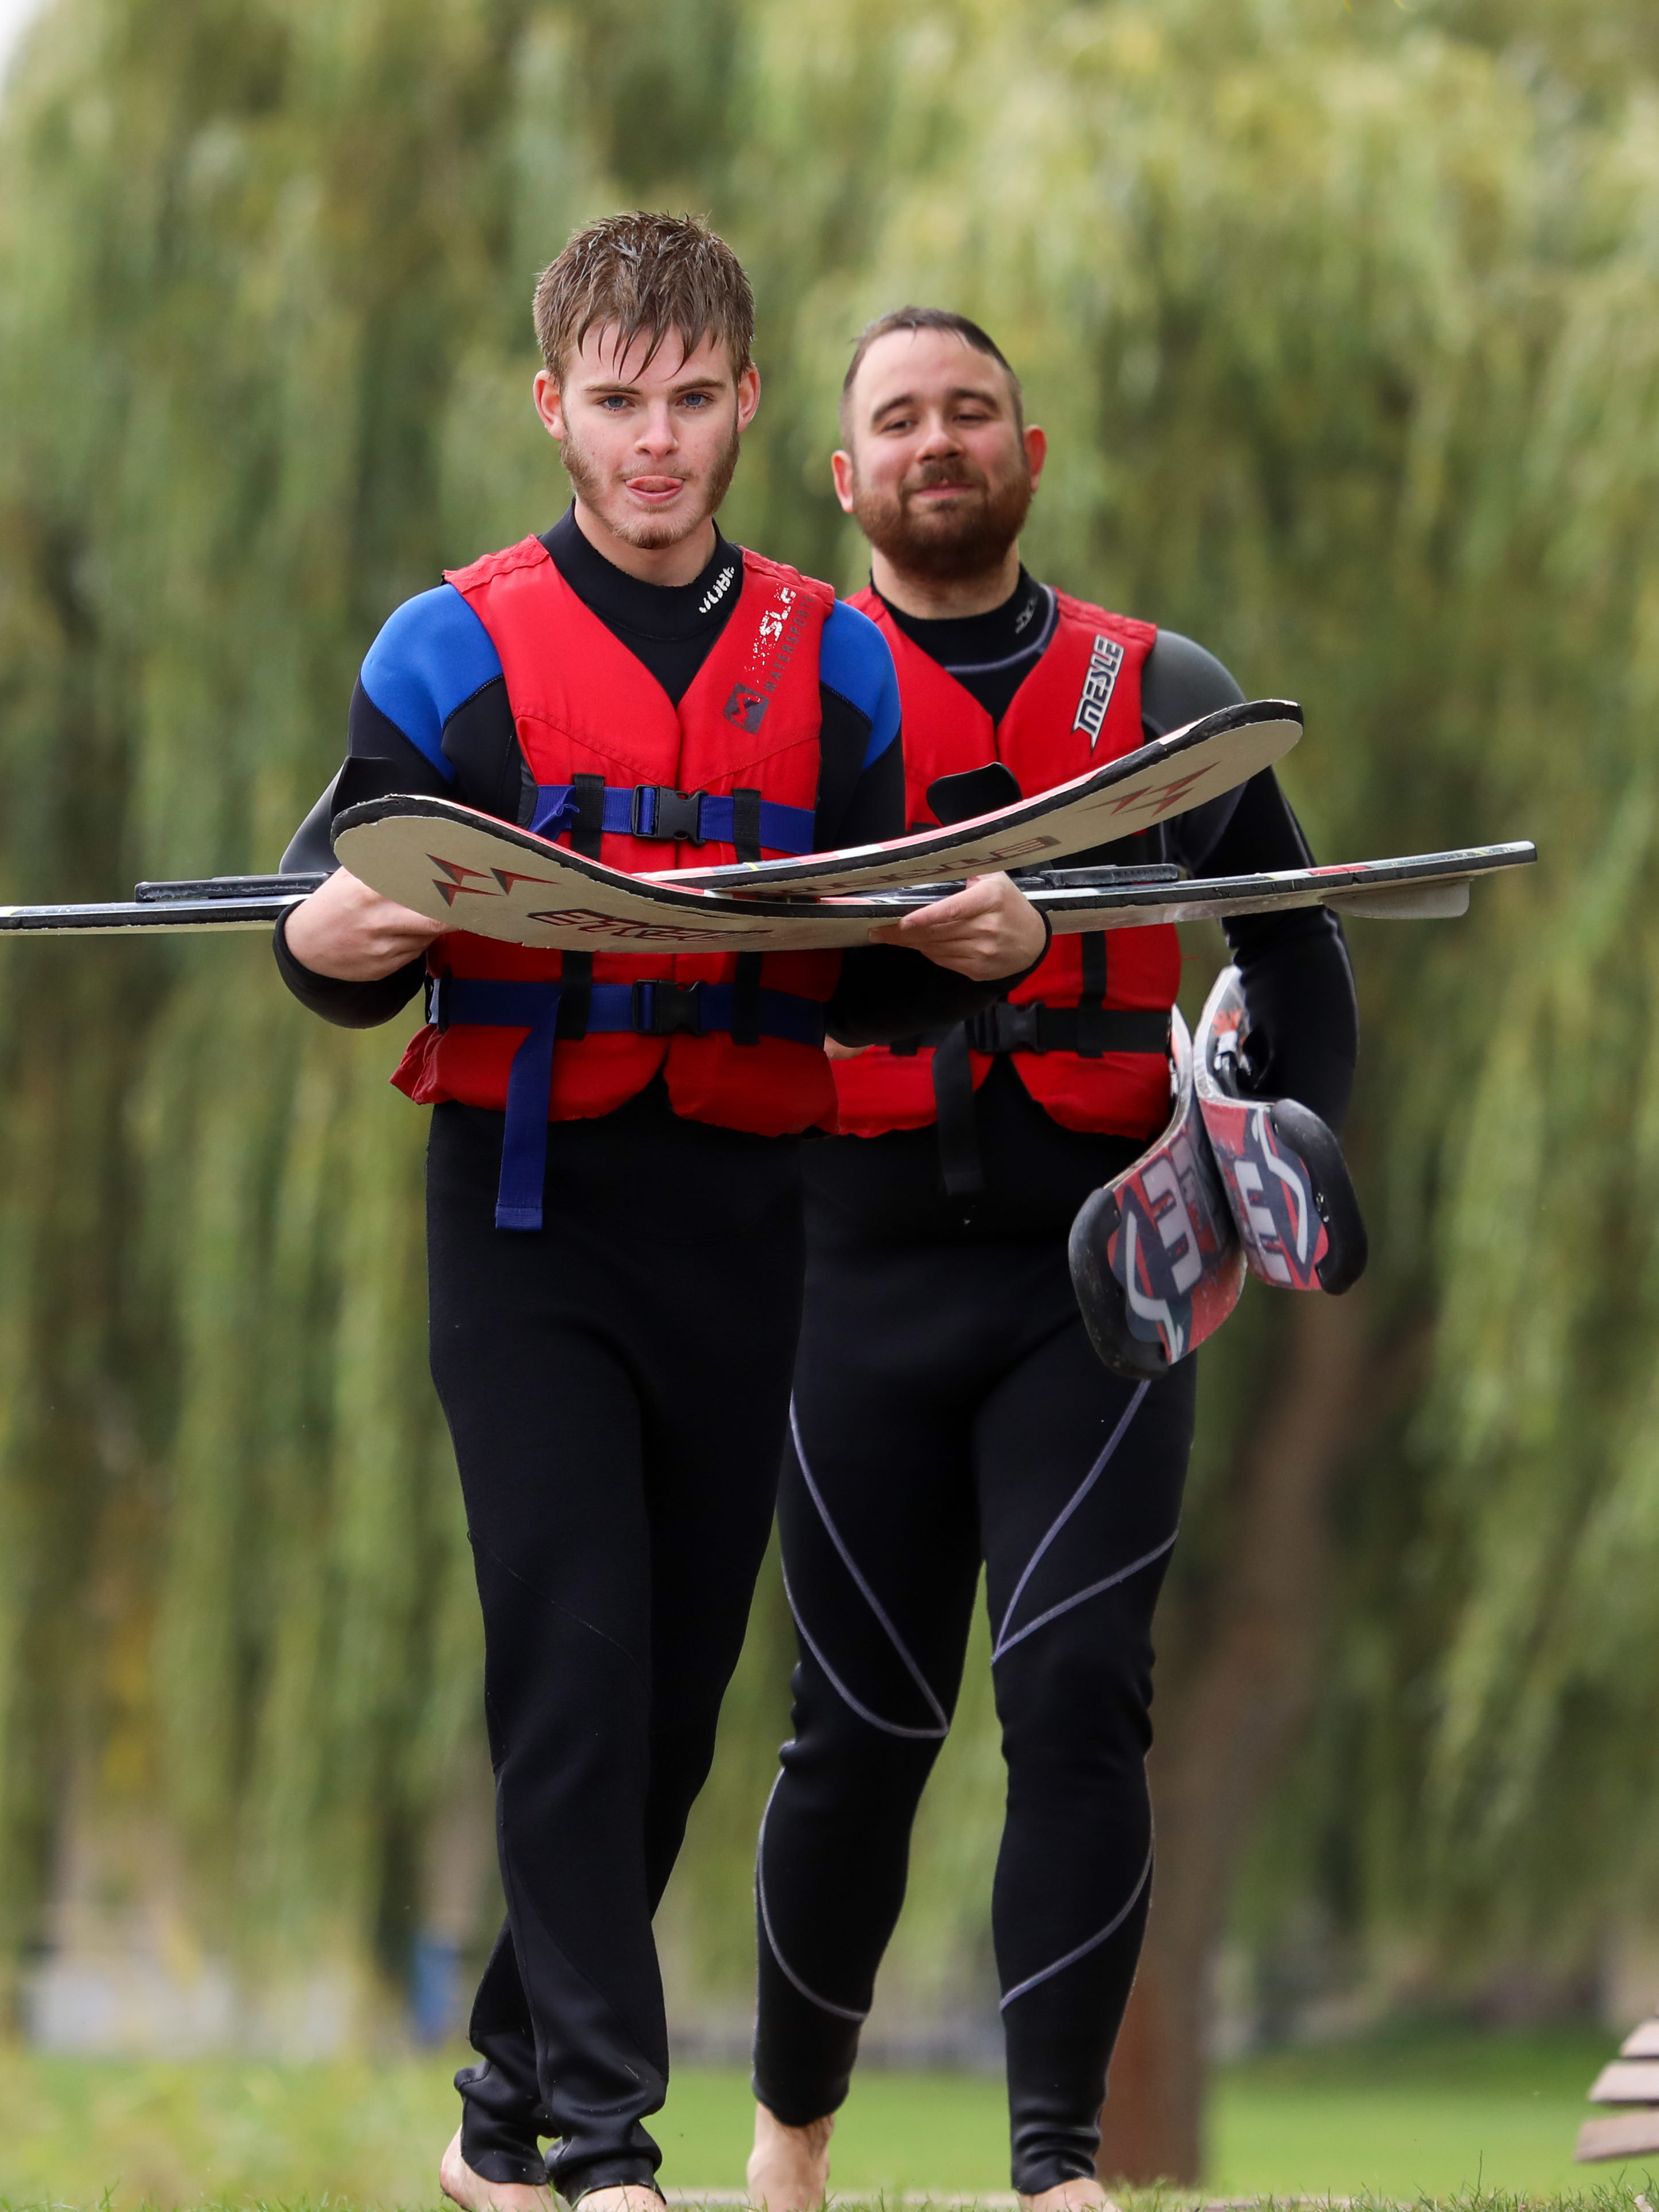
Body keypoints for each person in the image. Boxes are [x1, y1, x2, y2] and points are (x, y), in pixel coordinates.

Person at [273, 230, 1048, 2212]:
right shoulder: (442, 651)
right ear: (553, 406)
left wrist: (971, 953)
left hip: (739, 1216)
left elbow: (871, 976)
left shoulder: (840, 661)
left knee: (675, 1705)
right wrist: (329, 943)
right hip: (525, 1217)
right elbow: (328, 929)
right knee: (572, 1656)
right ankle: (606, 2146)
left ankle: (496, 2120)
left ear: (746, 405)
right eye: (617, 401)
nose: (655, 442)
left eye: (693, 400)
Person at [745, 309, 1359, 2212]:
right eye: (897, 420)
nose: (936, 442)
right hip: (842, 1280)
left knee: (1081, 1691)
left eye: (970, 413)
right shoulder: (779, 696)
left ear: (1030, 453)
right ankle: (788, 2143)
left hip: (1094, 1287)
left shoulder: (1160, 690)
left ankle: (1053, 2168)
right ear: (843, 476)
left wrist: (1273, 1158)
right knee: (859, 1732)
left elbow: (1295, 946)